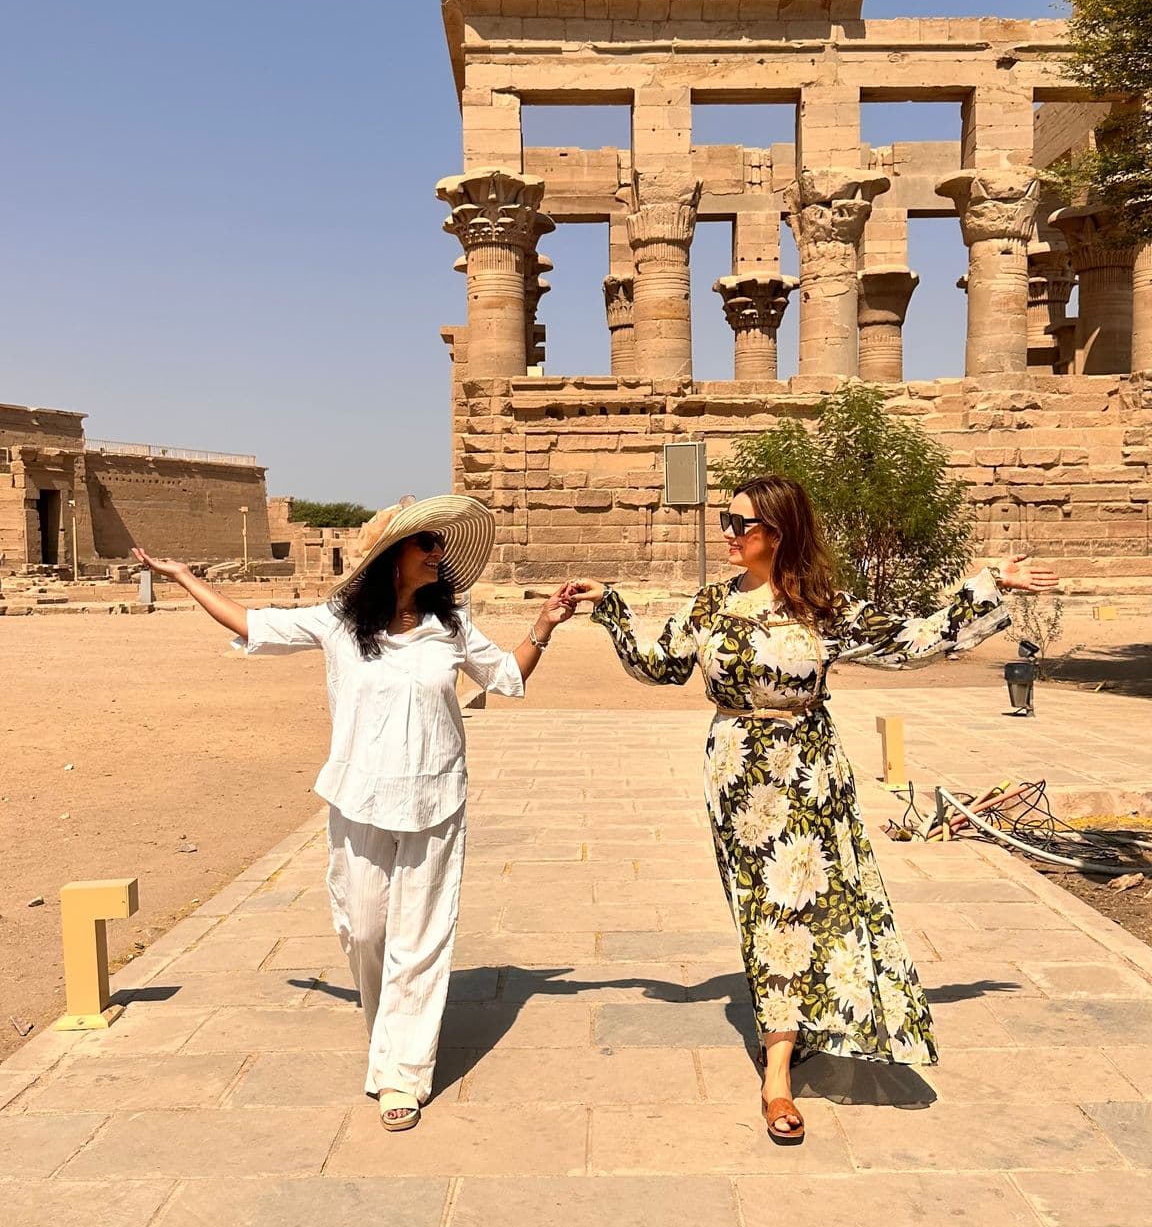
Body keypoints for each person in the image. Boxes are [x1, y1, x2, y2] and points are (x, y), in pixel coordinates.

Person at [567, 476, 1057, 1147]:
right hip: (737, 781)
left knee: (791, 913)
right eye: (727, 523)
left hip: (807, 773)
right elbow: (660, 668)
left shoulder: (820, 608)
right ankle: (792, 1025)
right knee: (760, 912)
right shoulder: (710, 603)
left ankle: (775, 1075)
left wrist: (986, 585)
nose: (730, 535)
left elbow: (912, 643)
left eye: (743, 525)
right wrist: (612, 608)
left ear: (780, 532)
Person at [133, 496, 573, 1131]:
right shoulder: (339, 623)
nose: (438, 554)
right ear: (394, 558)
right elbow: (255, 623)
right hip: (360, 796)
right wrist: (183, 578)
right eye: (427, 545)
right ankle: (387, 1034)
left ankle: (401, 1075)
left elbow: (505, 676)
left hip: (434, 797)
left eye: (439, 546)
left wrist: (546, 623)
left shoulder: (449, 627)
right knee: (365, 929)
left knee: (419, 940)